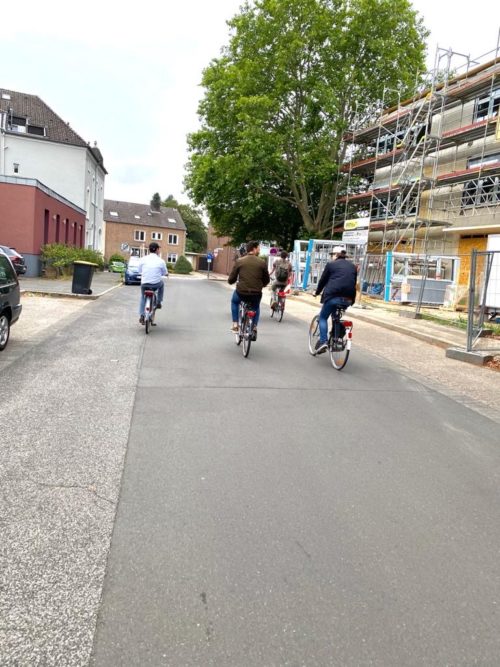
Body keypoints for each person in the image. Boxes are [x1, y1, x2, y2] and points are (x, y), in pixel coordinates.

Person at [313, 246, 357, 353]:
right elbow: (353, 282)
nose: (331, 257)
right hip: (348, 298)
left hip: (333, 296)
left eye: (332, 254)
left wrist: (317, 292)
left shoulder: (331, 265)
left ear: (336, 255)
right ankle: (336, 340)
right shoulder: (352, 266)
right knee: (335, 317)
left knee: (323, 317)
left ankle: (323, 342)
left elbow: (323, 281)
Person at [228, 240, 270, 340]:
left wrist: (231, 281)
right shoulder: (262, 262)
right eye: (258, 248)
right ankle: (254, 327)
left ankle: (235, 324)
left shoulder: (240, 261)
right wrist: (262, 285)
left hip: (241, 292)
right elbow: (267, 279)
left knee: (234, 301)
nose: (259, 250)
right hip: (256, 293)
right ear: (254, 249)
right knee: (256, 306)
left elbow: (232, 278)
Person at [138, 242, 168, 325]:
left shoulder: (143, 259)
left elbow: (139, 271)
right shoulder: (161, 261)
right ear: (157, 250)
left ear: (149, 249)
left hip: (144, 284)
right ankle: (158, 302)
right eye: (159, 249)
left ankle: (142, 315)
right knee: (161, 284)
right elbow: (165, 272)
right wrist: (165, 274)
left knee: (143, 297)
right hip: (155, 284)